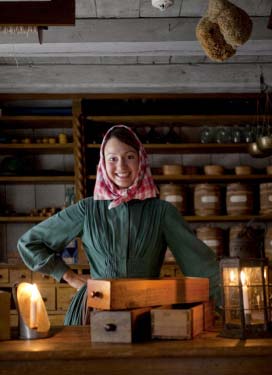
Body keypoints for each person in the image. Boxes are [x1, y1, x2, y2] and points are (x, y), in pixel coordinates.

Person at [17, 125, 221, 325]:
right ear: (103, 164)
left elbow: (202, 267)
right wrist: (70, 277)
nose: (121, 166)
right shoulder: (87, 210)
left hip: (146, 316)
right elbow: (29, 243)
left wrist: (227, 307)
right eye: (112, 159)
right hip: (91, 314)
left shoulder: (162, 212)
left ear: (141, 160)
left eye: (129, 157)